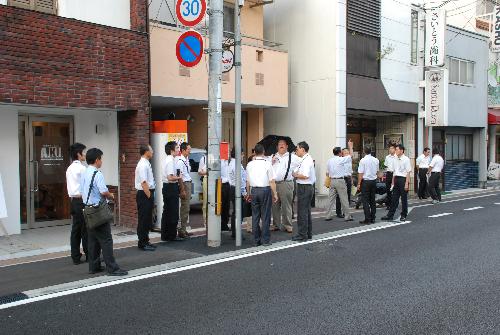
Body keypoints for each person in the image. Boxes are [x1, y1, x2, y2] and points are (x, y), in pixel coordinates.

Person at [81, 148, 127, 276]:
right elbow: (103, 191)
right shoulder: (97, 174)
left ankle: (94, 266)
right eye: (101, 159)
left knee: (93, 240)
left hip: (88, 210)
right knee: (106, 240)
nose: (101, 161)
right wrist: (111, 195)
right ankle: (112, 268)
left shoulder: (84, 173)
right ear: (97, 160)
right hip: (98, 210)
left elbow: (81, 191)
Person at [246, 144, 278, 246]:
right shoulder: (267, 164)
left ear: (254, 152)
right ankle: (265, 240)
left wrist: (248, 193)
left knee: (255, 216)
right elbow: (272, 181)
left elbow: (247, 181)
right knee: (265, 216)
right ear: (263, 152)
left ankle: (256, 240)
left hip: (254, 191)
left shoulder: (249, 165)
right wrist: (275, 194)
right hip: (265, 190)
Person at [66, 142, 88, 265]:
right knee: (85, 230)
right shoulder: (82, 168)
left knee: (76, 230)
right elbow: (86, 186)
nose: (84, 154)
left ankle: (75, 256)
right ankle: (89, 254)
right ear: (79, 154)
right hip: (81, 201)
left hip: (74, 201)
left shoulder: (69, 168)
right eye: (83, 152)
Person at [271, 139, 299, 233]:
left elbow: (300, 165)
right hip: (274, 184)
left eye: (283, 144)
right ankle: (276, 224)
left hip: (286, 183)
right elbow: (266, 168)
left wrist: (296, 173)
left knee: (286, 205)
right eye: (279, 144)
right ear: (277, 147)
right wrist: (271, 162)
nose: (281, 145)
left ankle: (288, 225)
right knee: (275, 205)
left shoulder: (292, 156)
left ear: (287, 146)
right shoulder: (273, 156)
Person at [292, 141, 316, 242]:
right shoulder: (305, 159)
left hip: (305, 187)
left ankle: (302, 235)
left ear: (302, 149)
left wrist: (295, 175)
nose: (296, 151)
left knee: (302, 212)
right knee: (306, 211)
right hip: (307, 187)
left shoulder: (306, 160)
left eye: (297, 149)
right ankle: (308, 233)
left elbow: (305, 175)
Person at [325, 142, 354, 222]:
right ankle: (347, 216)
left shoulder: (329, 161)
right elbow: (351, 156)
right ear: (340, 153)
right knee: (344, 199)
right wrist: (350, 147)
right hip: (340, 180)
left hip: (332, 180)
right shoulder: (341, 159)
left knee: (330, 199)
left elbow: (327, 173)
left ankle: (328, 215)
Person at [135, 144, 156, 251]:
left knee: (147, 219)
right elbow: (143, 183)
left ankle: (146, 240)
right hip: (144, 193)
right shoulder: (143, 164)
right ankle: (142, 243)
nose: (152, 151)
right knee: (143, 219)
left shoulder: (146, 162)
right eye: (151, 150)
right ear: (146, 152)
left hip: (146, 193)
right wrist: (150, 196)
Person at [161, 141, 183, 241]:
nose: (179, 150)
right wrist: (179, 177)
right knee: (173, 212)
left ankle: (165, 235)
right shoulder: (170, 161)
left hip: (167, 187)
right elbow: (170, 177)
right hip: (170, 187)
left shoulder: (167, 159)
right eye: (177, 148)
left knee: (167, 211)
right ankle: (171, 235)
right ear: (171, 150)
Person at [383, 144, 412, 222]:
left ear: (401, 150)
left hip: (403, 179)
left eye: (397, 149)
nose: (395, 151)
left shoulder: (406, 159)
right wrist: (393, 182)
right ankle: (390, 215)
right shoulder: (395, 158)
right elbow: (394, 171)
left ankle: (403, 215)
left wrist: (406, 183)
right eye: (395, 149)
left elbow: (408, 172)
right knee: (394, 198)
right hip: (396, 179)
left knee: (403, 198)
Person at [357, 147, 380, 224]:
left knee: (365, 200)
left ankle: (367, 218)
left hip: (366, 182)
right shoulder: (376, 160)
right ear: (371, 151)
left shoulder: (362, 160)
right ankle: (373, 218)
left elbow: (361, 173)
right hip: (373, 181)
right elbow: (377, 171)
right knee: (372, 200)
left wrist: (359, 183)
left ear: (364, 152)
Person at [228, 148, 247, 239]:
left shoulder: (231, 163)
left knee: (235, 212)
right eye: (242, 154)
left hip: (232, 188)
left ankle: (234, 232)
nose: (243, 156)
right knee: (239, 212)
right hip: (237, 189)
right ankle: (236, 233)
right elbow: (240, 180)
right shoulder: (236, 165)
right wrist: (244, 192)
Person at [177, 142, 193, 238]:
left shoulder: (186, 159)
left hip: (188, 183)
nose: (189, 152)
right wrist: (182, 190)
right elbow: (180, 177)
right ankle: (181, 230)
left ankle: (184, 229)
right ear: (183, 150)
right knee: (184, 208)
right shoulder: (180, 161)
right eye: (188, 150)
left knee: (187, 208)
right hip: (185, 184)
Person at [384, 143, 397, 210]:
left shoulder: (397, 157)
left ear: (395, 149)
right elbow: (386, 165)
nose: (390, 150)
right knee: (388, 189)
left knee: (395, 190)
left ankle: (394, 204)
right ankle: (388, 204)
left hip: (395, 174)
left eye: (392, 148)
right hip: (389, 174)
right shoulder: (387, 157)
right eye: (389, 148)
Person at [220, 155, 231, 231]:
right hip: (221, 184)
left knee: (227, 205)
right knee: (222, 205)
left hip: (228, 184)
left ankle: (225, 224)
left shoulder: (228, 161)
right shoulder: (220, 161)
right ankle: (221, 224)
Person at [198, 147, 208, 226]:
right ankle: (205, 220)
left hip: (215, 180)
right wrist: (207, 172)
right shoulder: (203, 159)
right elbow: (199, 172)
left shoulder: (216, 157)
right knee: (205, 200)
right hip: (206, 179)